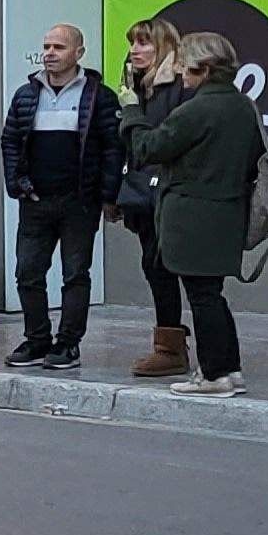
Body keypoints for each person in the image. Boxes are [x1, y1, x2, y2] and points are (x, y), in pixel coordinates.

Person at [125, 30, 266, 397]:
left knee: (202, 297)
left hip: (193, 216)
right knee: (212, 294)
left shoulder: (198, 109)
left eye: (187, 67)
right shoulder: (242, 106)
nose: (182, 75)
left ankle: (214, 375)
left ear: (204, 69)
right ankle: (229, 369)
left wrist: (131, 111)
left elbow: (146, 148)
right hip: (228, 210)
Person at [0, 23, 124, 370]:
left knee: (75, 274)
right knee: (28, 272)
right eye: (47, 46)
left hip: (78, 202)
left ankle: (68, 344)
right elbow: (10, 140)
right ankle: (36, 339)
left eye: (59, 47)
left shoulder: (99, 95)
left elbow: (114, 148)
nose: (50, 53)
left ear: (78, 53)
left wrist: (107, 195)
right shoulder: (27, 94)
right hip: (35, 200)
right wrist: (17, 183)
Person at [116, 19, 196, 377]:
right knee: (154, 266)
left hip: (173, 194)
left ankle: (177, 349)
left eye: (144, 43)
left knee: (175, 268)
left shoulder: (179, 86)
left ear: (164, 47)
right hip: (145, 196)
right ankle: (169, 345)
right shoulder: (136, 87)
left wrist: (132, 111)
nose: (135, 50)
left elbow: (159, 142)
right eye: (132, 43)